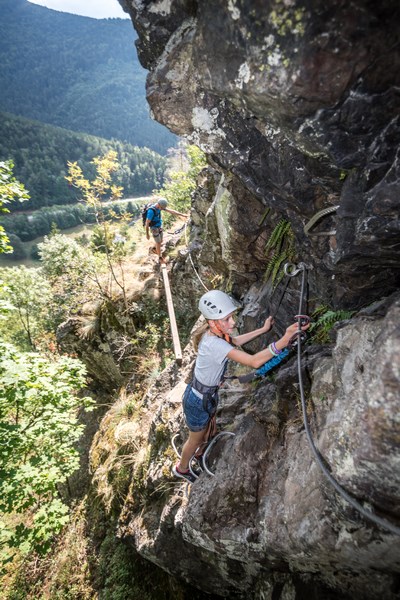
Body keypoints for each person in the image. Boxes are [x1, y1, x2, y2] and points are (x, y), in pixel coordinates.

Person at [172, 289, 310, 483]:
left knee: (208, 431)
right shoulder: (214, 343)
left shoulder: (217, 335)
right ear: (213, 323)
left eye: (232, 317)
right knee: (195, 438)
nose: (233, 322)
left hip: (205, 396)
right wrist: (285, 339)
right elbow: (253, 361)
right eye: (227, 319)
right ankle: (182, 468)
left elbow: (235, 341)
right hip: (197, 400)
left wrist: (263, 330)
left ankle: (200, 452)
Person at [145, 197, 188, 263]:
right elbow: (147, 223)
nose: (162, 209)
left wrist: (182, 215)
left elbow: (172, 211)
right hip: (154, 228)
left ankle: (154, 249)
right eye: (162, 207)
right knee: (158, 242)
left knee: (161, 240)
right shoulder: (151, 211)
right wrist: (147, 234)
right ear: (159, 205)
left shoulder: (160, 207)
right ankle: (160, 257)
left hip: (159, 226)